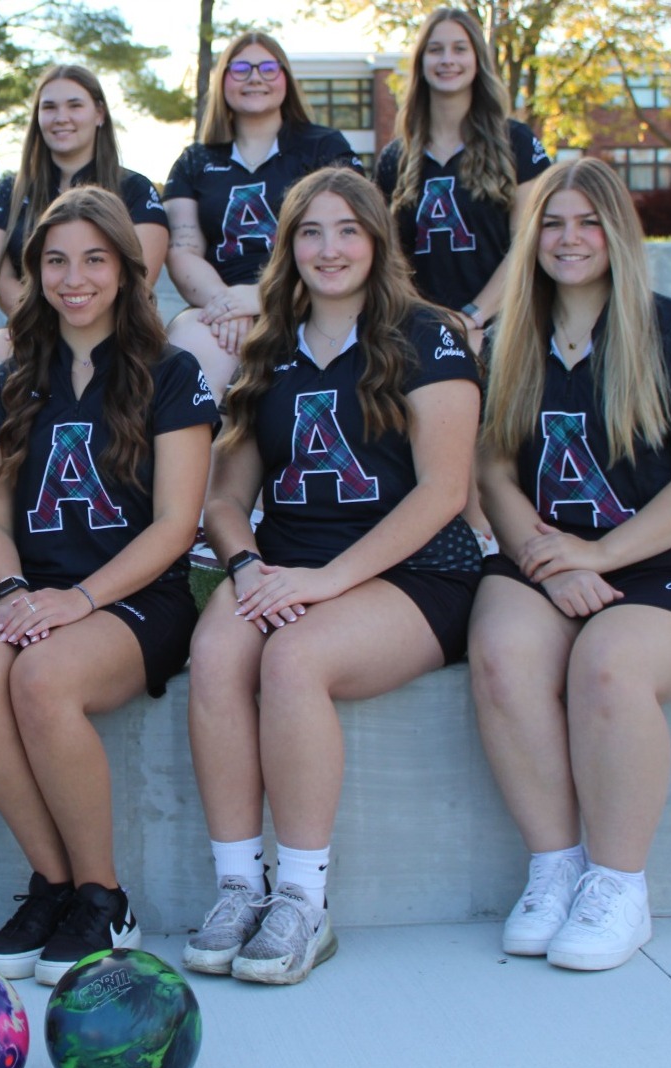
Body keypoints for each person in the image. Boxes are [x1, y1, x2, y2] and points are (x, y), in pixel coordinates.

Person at [183, 168, 482, 985]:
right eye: (310, 232)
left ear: (378, 240)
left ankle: (305, 900)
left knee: (294, 659)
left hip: (417, 570)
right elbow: (228, 493)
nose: (329, 248)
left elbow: (445, 491)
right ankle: (241, 886)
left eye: (348, 229)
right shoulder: (272, 343)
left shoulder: (427, 333)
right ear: (288, 247)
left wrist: (325, 581)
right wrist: (245, 564)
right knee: (215, 655)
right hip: (288, 564)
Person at [469, 158, 671, 972]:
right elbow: (492, 471)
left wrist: (600, 554)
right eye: (552, 223)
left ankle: (619, 887)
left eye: (588, 221)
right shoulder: (512, 341)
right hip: (549, 552)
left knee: (609, 662)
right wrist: (546, 559)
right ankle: (556, 868)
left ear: (618, 233)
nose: (569, 238)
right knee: (499, 653)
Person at [0, 187, 217, 986]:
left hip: (137, 596)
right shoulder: (10, 379)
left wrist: (79, 601)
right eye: (56, 260)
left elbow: (177, 526)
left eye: (94, 259)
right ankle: (53, 883)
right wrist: (11, 594)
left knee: (41, 677)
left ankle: (105, 895)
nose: (74, 277)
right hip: (35, 589)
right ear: (33, 272)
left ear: (128, 272)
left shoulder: (170, 374)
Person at [164, 32, 361, 400]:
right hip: (220, 307)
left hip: (310, 298)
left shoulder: (325, 147)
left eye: (268, 67)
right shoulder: (195, 160)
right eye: (240, 69)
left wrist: (266, 297)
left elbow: (355, 237)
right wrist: (228, 303)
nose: (255, 77)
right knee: (187, 357)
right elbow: (183, 247)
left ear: (286, 78)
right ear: (222, 81)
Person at [0, 65, 169, 385]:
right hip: (33, 327)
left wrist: (83, 329)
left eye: (75, 105)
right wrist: (46, 324)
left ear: (99, 114)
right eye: (49, 107)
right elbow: (1, 277)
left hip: (115, 329)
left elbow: (140, 277)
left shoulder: (134, 188)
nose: (61, 117)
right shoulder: (10, 190)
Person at [376, 7, 549, 349]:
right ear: (421, 63)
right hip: (420, 333)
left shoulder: (516, 142)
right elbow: (390, 257)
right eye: (435, 49)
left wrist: (472, 316)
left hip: (502, 330)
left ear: (477, 60)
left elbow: (528, 243)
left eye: (459, 48)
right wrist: (430, 321)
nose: (447, 59)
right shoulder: (395, 158)